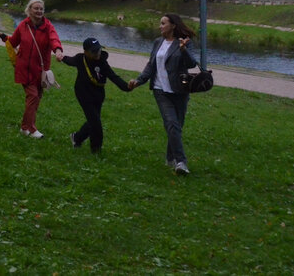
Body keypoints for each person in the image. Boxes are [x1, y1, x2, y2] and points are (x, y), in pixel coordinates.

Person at [128, 14, 199, 175]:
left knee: (176, 126)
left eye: (163, 23)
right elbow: (150, 65)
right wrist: (139, 81)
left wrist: (183, 50)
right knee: (172, 124)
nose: (160, 26)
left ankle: (169, 157)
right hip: (161, 91)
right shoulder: (157, 43)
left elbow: (191, 63)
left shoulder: (184, 42)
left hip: (180, 91)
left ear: (173, 26)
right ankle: (181, 162)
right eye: (160, 23)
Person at [59, 37, 130, 153]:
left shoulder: (102, 62)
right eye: (93, 51)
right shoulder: (80, 59)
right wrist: (62, 58)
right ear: (85, 52)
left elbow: (113, 77)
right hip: (83, 93)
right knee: (95, 122)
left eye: (98, 50)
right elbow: (70, 60)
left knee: (93, 120)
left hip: (98, 94)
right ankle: (96, 150)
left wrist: (127, 87)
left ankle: (76, 137)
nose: (97, 53)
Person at [7, 0, 63, 138]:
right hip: (24, 68)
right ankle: (31, 129)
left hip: (40, 70)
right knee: (32, 96)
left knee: (36, 98)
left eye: (41, 9)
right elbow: (13, 41)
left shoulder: (48, 26)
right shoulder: (23, 25)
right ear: (29, 10)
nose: (39, 11)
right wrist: (2, 36)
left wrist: (57, 50)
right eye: (36, 8)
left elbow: (54, 38)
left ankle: (24, 127)